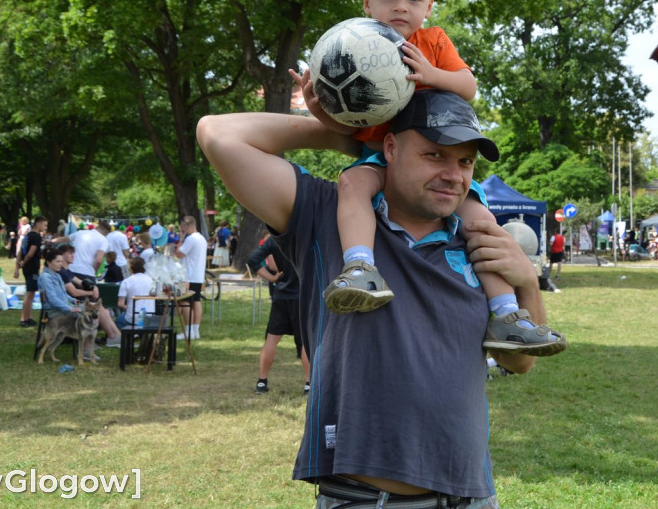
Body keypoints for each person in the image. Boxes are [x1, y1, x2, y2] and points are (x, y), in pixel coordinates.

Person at [197, 89, 553, 506]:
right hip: (362, 500)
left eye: (465, 161)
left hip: (468, 497)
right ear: (390, 148)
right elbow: (217, 133)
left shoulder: (478, 238)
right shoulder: (328, 213)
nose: (454, 175)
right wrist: (343, 134)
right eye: (434, 154)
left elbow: (520, 361)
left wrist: (527, 283)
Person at [290, 0, 562, 356]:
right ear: (367, 2)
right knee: (351, 186)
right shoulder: (356, 46)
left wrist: (432, 73)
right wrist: (319, 111)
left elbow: (468, 87)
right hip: (383, 155)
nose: (401, 6)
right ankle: (361, 267)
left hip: (439, 155)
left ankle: (508, 315)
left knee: (481, 224)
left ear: (429, 5)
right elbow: (350, 128)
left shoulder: (432, 42)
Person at [251, 238, 311, 395]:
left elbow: (253, 260)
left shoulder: (275, 240)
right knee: (306, 341)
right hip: (303, 297)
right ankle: (309, 384)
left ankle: (262, 382)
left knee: (271, 339)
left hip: (281, 295)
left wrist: (271, 278)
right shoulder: (305, 236)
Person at [58, 243, 122, 347]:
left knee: (102, 308)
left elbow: (80, 282)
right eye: (70, 253)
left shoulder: (67, 271)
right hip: (66, 304)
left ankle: (117, 336)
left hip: (69, 302)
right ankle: (112, 337)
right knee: (98, 309)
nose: (73, 255)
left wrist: (93, 287)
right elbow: (74, 292)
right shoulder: (61, 272)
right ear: (62, 255)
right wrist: (91, 292)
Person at [174, 216, 206, 341]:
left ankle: (188, 331)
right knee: (196, 301)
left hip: (188, 276)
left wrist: (181, 240)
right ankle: (195, 330)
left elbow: (179, 254)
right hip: (198, 276)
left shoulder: (191, 239)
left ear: (186, 226)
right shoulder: (202, 238)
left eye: (182, 227)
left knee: (184, 302)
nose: (182, 229)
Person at [17, 216, 48, 328]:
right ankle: (23, 319)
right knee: (29, 293)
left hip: (28, 267)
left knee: (32, 292)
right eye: (44, 225)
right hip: (31, 267)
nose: (45, 228)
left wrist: (19, 266)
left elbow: (20, 251)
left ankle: (28, 317)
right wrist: (23, 264)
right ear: (38, 224)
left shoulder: (27, 236)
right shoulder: (36, 237)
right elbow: (30, 253)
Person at [115, 257, 155, 329]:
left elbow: (120, 304)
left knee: (118, 321)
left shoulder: (126, 281)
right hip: (150, 316)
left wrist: (128, 307)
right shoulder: (151, 280)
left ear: (130, 268)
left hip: (132, 317)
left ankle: (130, 335)